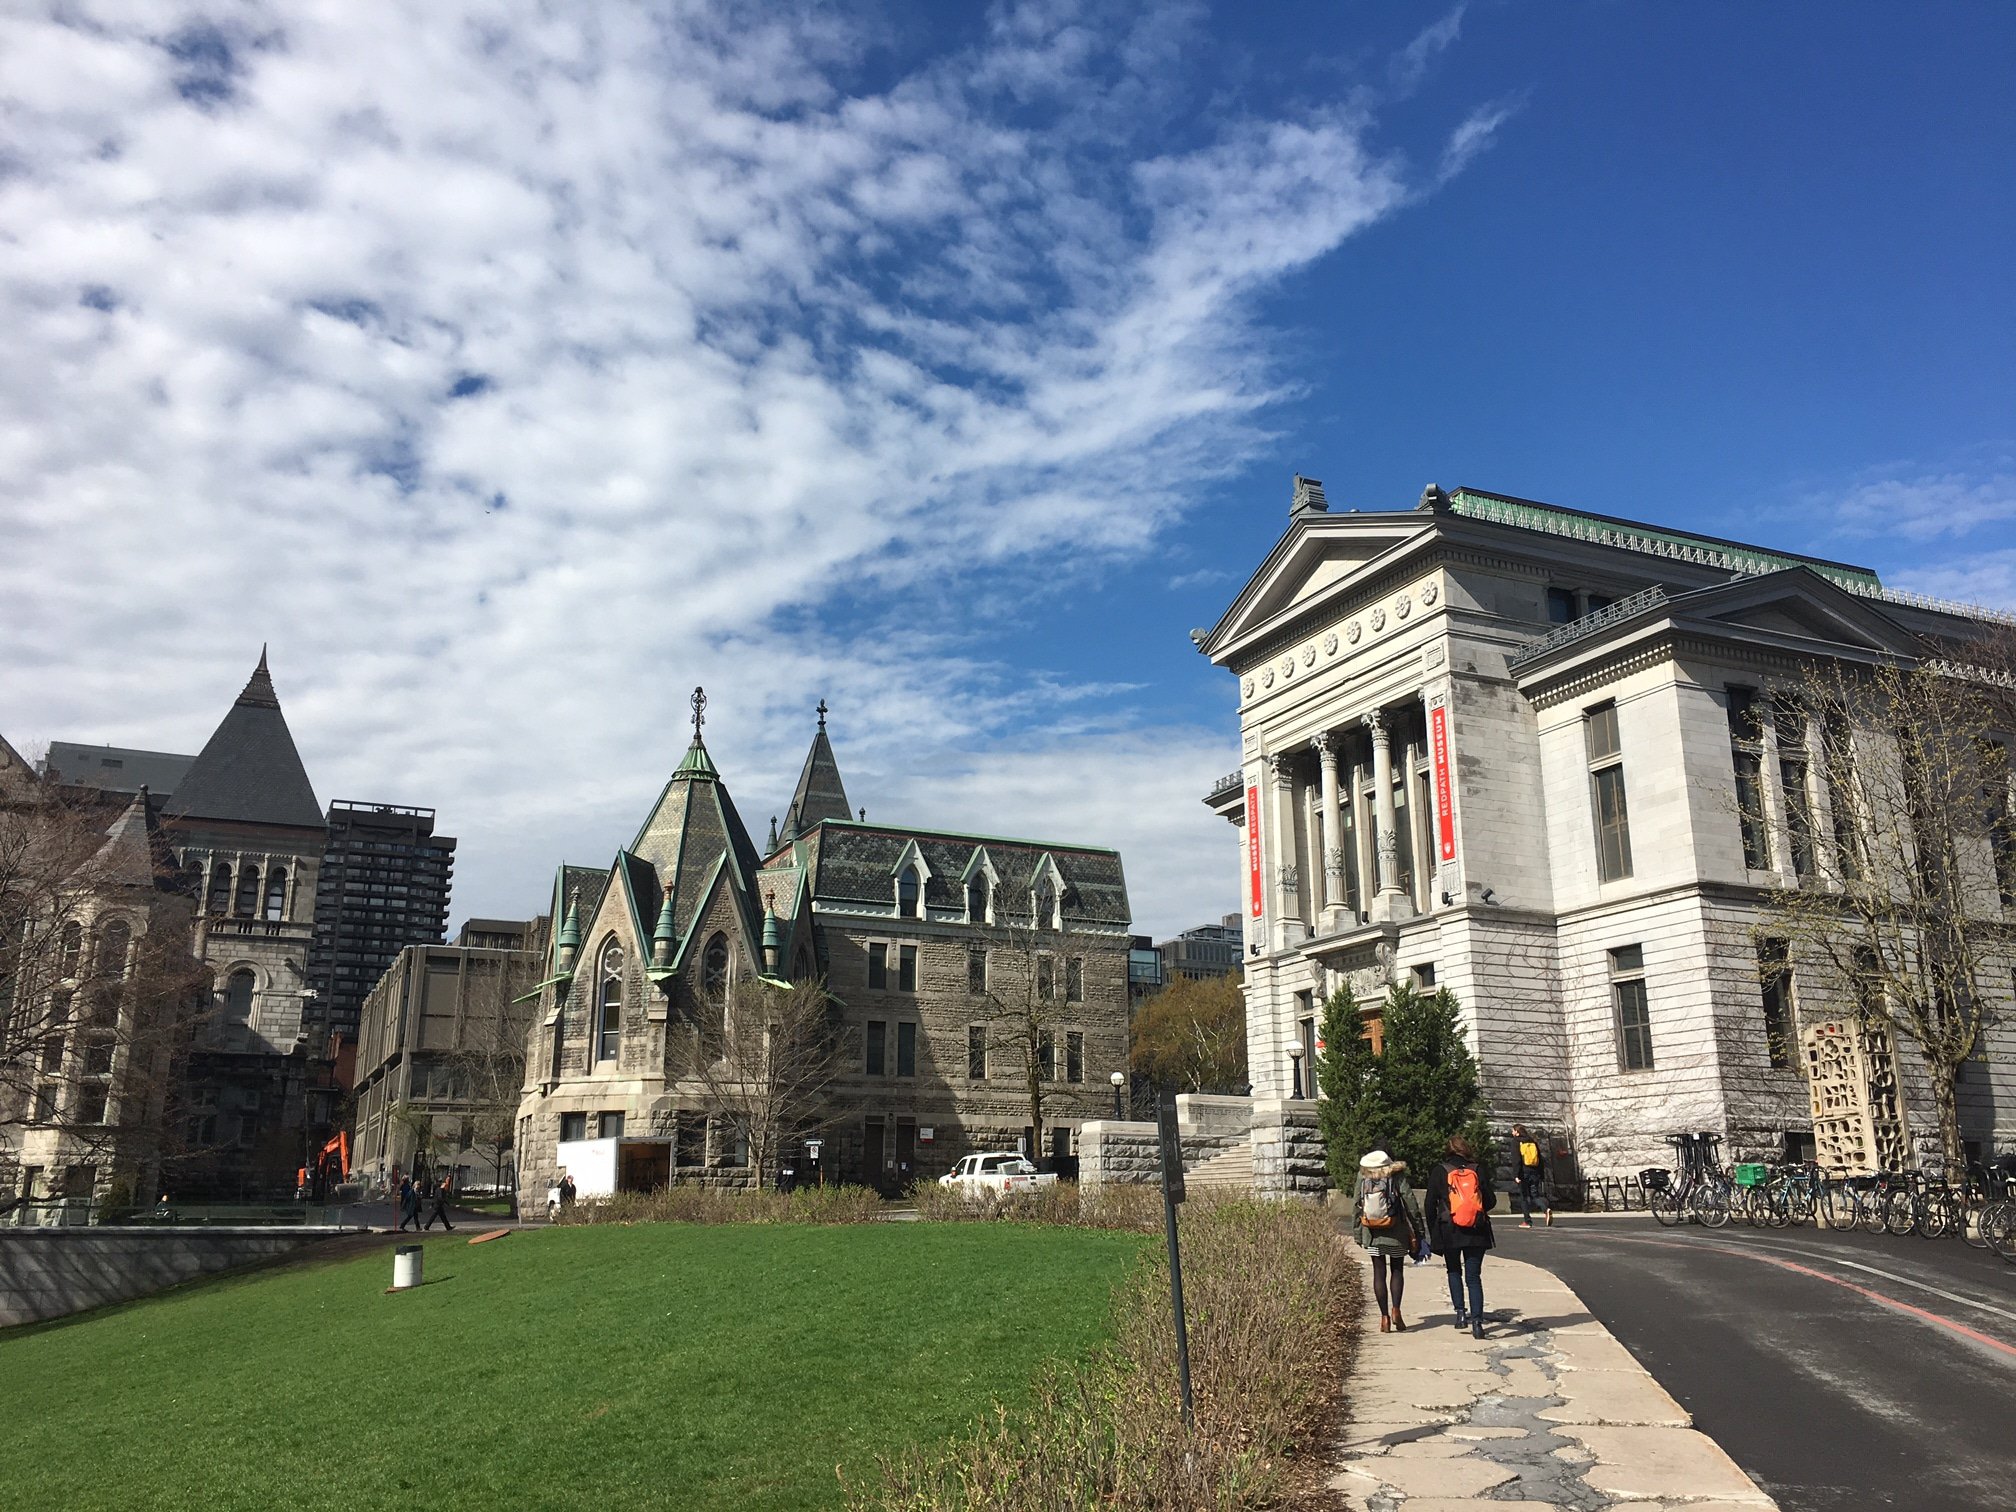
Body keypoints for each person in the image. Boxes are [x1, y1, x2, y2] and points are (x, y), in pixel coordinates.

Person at [1424, 1134, 1496, 1338]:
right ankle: (1478, 1323)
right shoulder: (1477, 1169)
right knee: (1474, 1277)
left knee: (1453, 1271)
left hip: (1449, 1229)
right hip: (1476, 1229)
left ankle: (1460, 1315)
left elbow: (1429, 1204)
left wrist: (1433, 1228)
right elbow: (1490, 1201)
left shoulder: (1440, 1170)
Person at [1352, 1149, 1423, 1333]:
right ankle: (1396, 1310)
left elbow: (1356, 1205)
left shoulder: (1363, 1176)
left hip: (1372, 1232)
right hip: (1396, 1231)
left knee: (1378, 1272)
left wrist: (1358, 1233)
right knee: (1397, 1270)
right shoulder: (1396, 1176)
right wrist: (1418, 1230)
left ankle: (1384, 1317)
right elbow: (1410, 1202)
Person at [1512, 1124, 1553, 1228]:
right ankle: (1545, 1209)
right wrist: (1541, 1175)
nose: (1512, 1133)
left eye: (1513, 1131)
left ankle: (1527, 1221)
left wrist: (1516, 1175)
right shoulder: (1532, 1141)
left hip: (1523, 1173)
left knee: (1524, 1197)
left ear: (1517, 1132)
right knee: (1535, 1195)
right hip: (1535, 1172)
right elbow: (1540, 1158)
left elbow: (1516, 1159)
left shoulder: (1516, 1142)